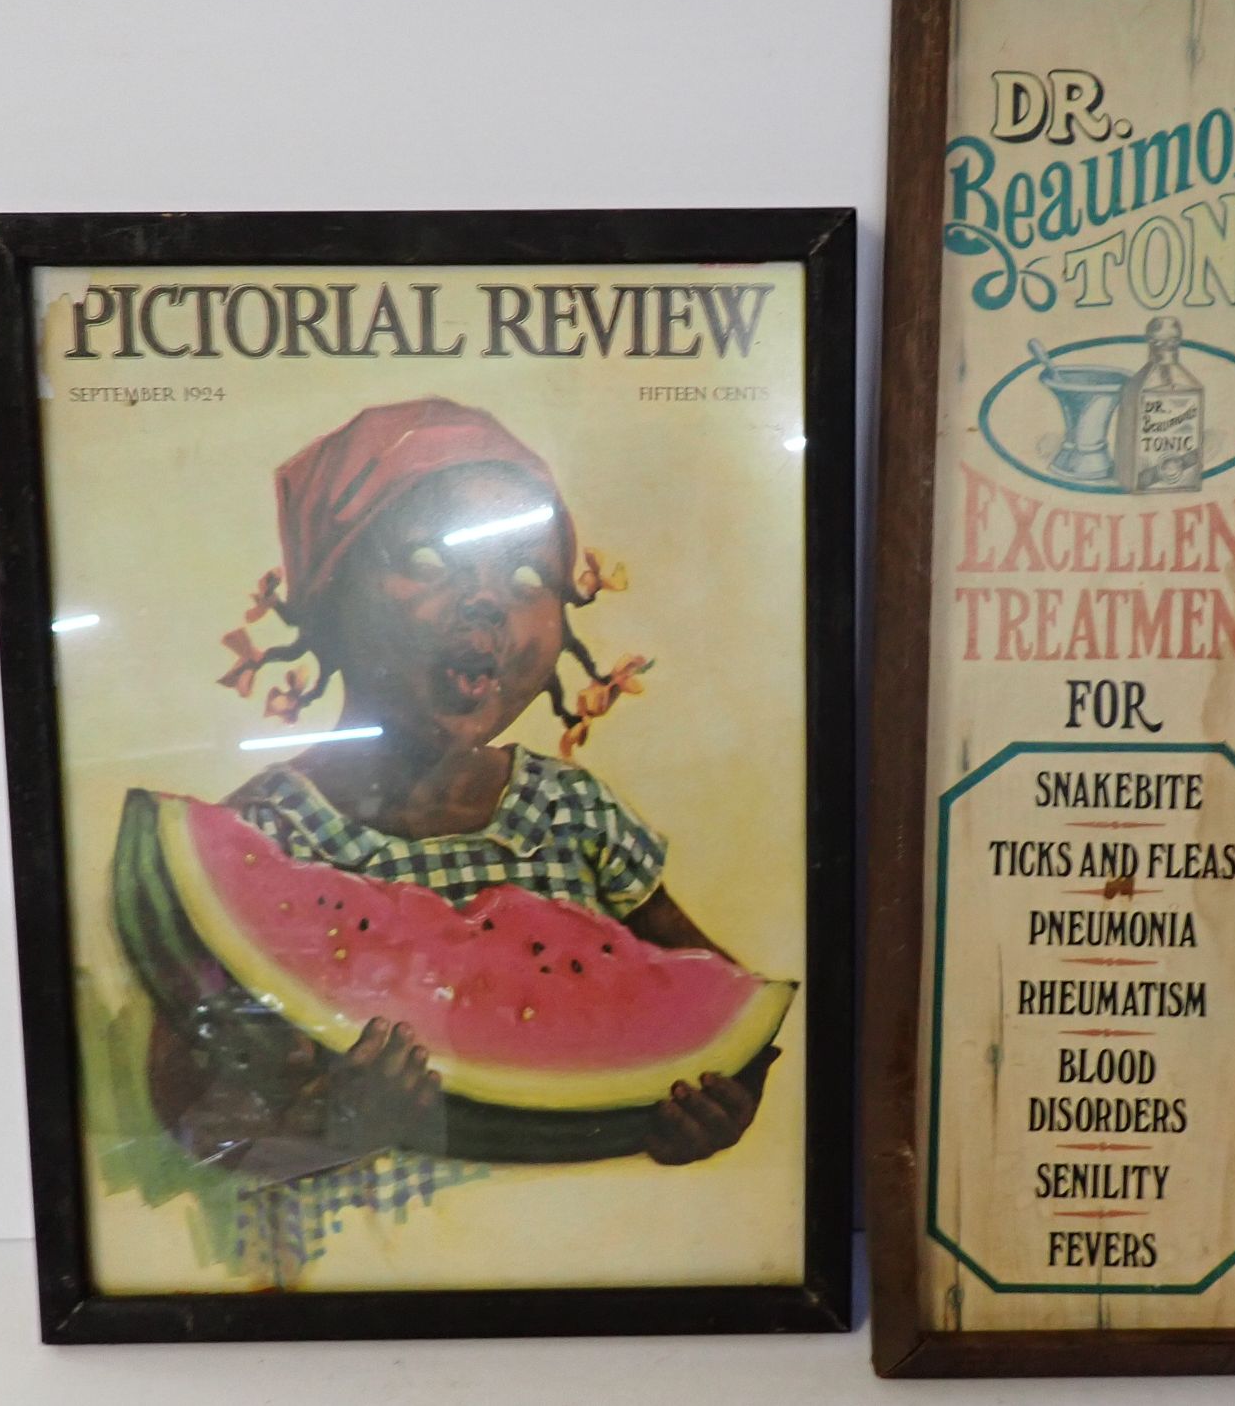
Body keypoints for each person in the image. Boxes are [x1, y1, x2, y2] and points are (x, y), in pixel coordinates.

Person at [132, 397, 776, 1180]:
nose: (486, 600)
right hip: (350, 1245)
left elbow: (733, 1007)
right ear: (329, 590)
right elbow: (194, 1118)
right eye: (429, 562)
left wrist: (720, 1098)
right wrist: (333, 1128)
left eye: (528, 576)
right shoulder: (261, 836)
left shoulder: (573, 812)